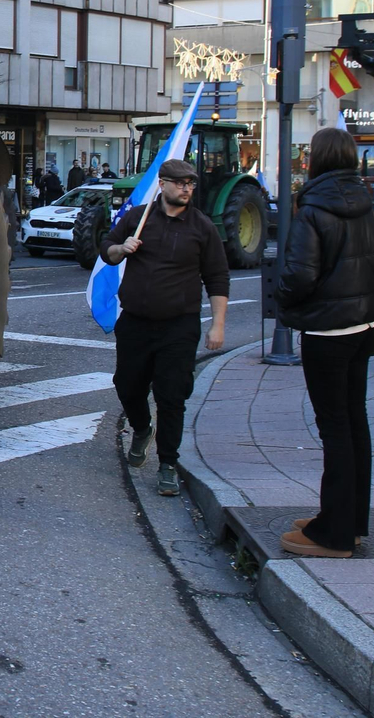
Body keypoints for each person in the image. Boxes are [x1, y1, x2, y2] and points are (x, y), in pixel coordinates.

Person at [274, 128, 374, 559]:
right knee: (355, 421)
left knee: (334, 428)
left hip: (326, 330)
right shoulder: (366, 203)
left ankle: (334, 533)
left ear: (316, 159)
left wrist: (284, 299)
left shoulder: (313, 209)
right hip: (363, 325)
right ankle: (352, 520)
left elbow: (299, 275)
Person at [102, 158, 230, 498]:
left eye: (191, 183)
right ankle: (142, 429)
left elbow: (217, 277)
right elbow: (107, 250)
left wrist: (217, 325)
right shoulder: (137, 217)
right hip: (135, 322)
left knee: (172, 396)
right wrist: (121, 248)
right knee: (127, 386)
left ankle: (168, 464)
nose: (187, 188)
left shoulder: (202, 227)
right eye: (180, 182)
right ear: (163, 184)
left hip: (179, 326)